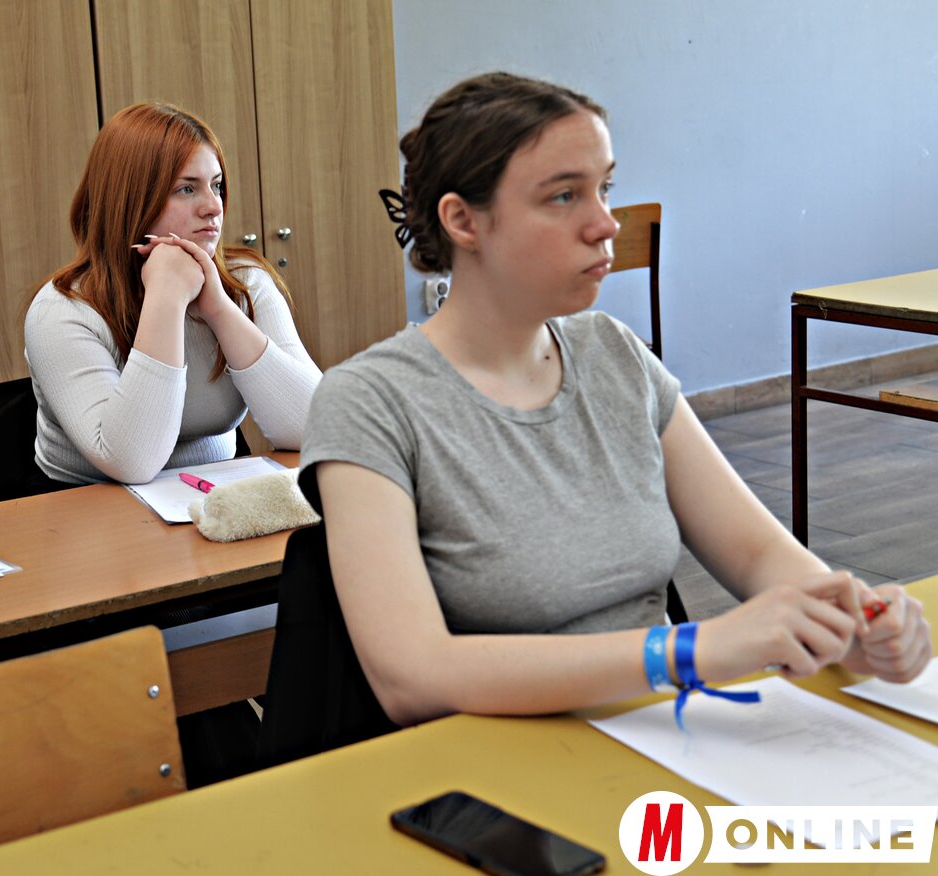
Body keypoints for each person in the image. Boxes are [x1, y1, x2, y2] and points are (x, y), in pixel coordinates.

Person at [301, 72, 931, 727]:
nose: (605, 223)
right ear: (462, 220)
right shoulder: (368, 403)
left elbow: (757, 554)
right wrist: (685, 651)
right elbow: (413, 677)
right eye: (563, 196)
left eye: (604, 188)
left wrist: (851, 618)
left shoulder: (613, 353)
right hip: (497, 765)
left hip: (660, 736)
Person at [25, 102, 321, 487]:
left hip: (210, 494)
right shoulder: (61, 310)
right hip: (86, 504)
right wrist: (166, 296)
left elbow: (317, 427)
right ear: (131, 199)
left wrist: (218, 308)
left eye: (216, 185)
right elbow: (131, 462)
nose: (213, 206)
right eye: (186, 189)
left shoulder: (247, 283)